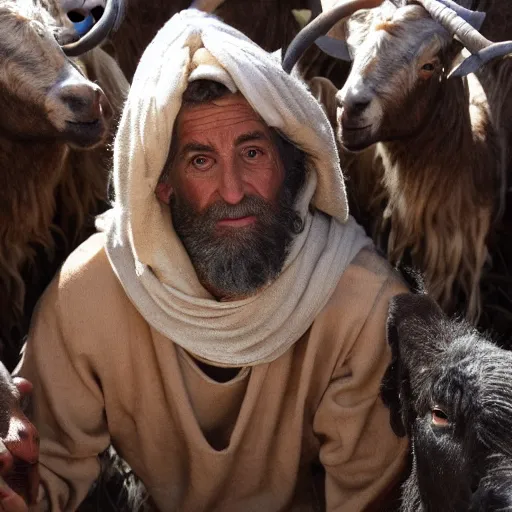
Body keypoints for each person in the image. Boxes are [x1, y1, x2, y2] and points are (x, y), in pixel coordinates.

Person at [11, 8, 409, 511]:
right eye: (201, 160)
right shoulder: (92, 294)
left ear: (292, 166)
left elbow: (369, 499)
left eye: (253, 153)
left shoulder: (363, 307)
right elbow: (38, 474)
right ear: (162, 183)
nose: (233, 190)